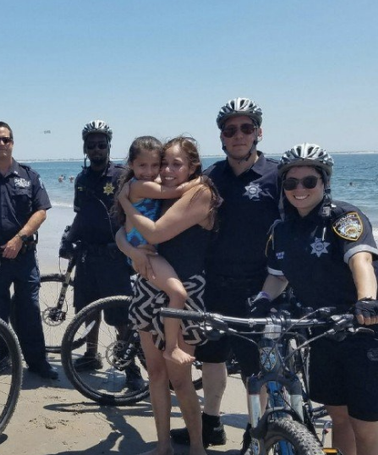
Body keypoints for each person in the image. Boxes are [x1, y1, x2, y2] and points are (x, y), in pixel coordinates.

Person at [253, 143, 378, 455]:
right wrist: (265, 297)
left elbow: (360, 260)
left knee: (364, 425)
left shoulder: (343, 217)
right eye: (291, 183)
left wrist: (366, 301)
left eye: (309, 181)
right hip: (323, 330)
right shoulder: (281, 229)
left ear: (324, 183)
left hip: (367, 329)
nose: (299, 189)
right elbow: (278, 275)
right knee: (338, 417)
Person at [170, 98, 280, 451]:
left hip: (258, 286)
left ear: (258, 133)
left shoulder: (276, 175)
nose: (238, 136)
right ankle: (212, 423)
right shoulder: (210, 177)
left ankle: (257, 429)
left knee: (254, 368)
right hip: (214, 283)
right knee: (211, 358)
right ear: (221, 137)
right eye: (230, 130)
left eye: (246, 128)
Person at [116, 136, 220, 455]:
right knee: (156, 374)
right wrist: (132, 251)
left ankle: (198, 447)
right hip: (150, 286)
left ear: (193, 166)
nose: (168, 170)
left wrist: (125, 203)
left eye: (177, 164)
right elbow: (122, 233)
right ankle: (163, 447)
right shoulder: (155, 189)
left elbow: (157, 232)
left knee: (180, 379)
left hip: (185, 291)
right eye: (165, 163)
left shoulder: (201, 191)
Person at [0, 121, 57, 380]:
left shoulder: (29, 176)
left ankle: (37, 362)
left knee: (29, 308)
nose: (1, 144)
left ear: (12, 142)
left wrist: (19, 238)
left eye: (6, 139)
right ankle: (3, 356)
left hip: (23, 254)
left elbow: (41, 211)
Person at [60, 120, 143, 390]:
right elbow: (81, 214)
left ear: (108, 145)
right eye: (91, 145)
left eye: (101, 144)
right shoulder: (82, 179)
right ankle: (90, 355)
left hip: (113, 256)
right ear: (84, 148)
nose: (96, 149)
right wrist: (69, 239)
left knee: (120, 315)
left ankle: (130, 367)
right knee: (87, 310)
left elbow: (136, 214)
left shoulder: (122, 175)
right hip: (86, 254)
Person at [117, 136, 196, 366]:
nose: (150, 171)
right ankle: (171, 347)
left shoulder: (142, 183)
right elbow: (173, 192)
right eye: (143, 165)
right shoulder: (140, 185)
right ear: (131, 164)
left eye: (155, 165)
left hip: (142, 247)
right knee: (178, 294)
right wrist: (199, 181)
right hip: (145, 250)